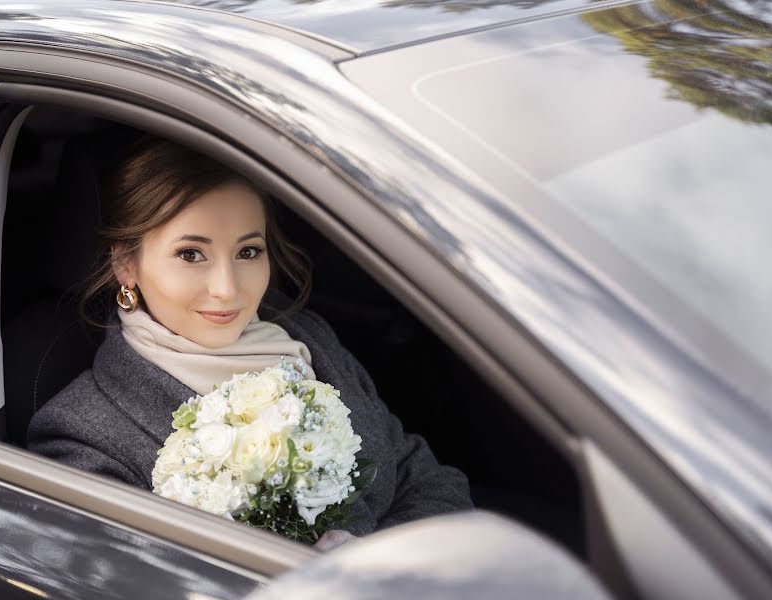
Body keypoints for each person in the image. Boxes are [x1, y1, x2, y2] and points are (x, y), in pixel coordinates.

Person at [27, 136, 473, 551]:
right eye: (190, 254)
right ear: (126, 265)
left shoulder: (307, 337)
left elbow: (425, 474)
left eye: (247, 252)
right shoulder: (83, 435)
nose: (227, 289)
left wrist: (372, 567)